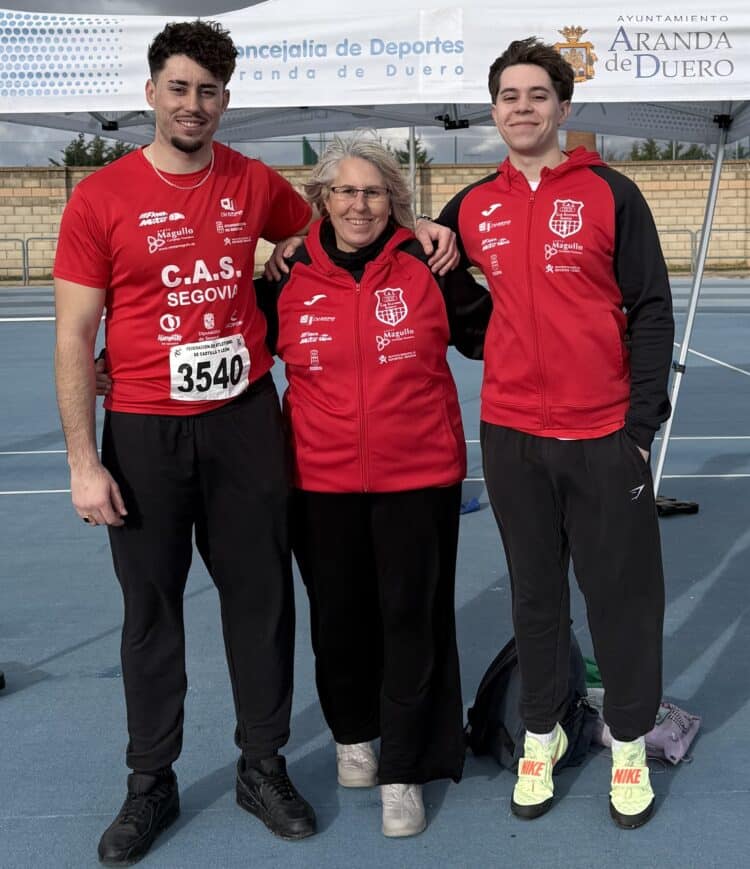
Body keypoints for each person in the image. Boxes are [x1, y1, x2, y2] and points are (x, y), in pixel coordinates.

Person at [437, 38, 674, 829]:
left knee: (622, 598)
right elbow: (419, 272)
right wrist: (483, 331)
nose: (522, 107)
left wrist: (641, 427)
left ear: (563, 108)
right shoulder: (472, 204)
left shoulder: (612, 193)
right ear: (494, 109)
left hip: (604, 434)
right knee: (536, 596)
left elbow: (649, 309)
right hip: (511, 435)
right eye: (509, 95)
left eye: (538, 94)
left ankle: (630, 738)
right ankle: (540, 729)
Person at [254, 134, 491, 837]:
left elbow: (493, 334)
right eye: (347, 191)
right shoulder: (287, 274)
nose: (360, 205)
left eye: (375, 191)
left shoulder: (429, 261)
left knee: (411, 624)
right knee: (339, 620)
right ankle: (353, 733)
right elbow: (230, 340)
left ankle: (406, 771)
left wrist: (472, 253)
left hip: (418, 478)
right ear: (321, 199)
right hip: (318, 481)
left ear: (396, 199)